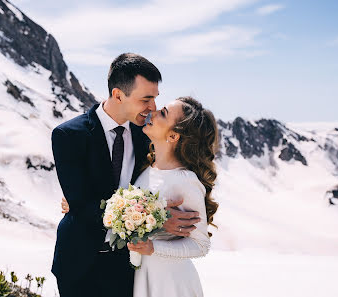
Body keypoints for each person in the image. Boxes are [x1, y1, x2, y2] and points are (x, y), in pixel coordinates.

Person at [51, 53, 201, 297]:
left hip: (128, 267)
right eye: (146, 99)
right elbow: (81, 206)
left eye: (155, 98)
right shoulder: (68, 135)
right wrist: (159, 220)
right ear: (118, 95)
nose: (152, 107)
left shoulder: (149, 135)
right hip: (78, 263)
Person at [61, 96, 220, 297]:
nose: (152, 112)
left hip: (170, 283)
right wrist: (79, 202)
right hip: (139, 278)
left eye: (163, 113)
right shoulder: (146, 169)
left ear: (173, 136)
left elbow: (200, 245)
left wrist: (154, 247)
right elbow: (126, 209)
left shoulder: (185, 181)